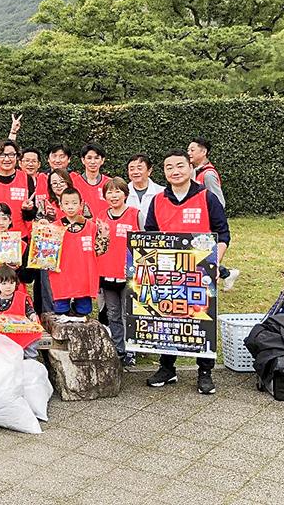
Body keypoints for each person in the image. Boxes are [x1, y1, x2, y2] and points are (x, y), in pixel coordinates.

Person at [144, 149, 231, 395]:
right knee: (168, 317)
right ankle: (167, 367)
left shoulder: (206, 197)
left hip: (200, 273)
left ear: (190, 167)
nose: (175, 171)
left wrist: (214, 262)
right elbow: (150, 235)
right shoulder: (158, 200)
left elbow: (222, 234)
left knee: (201, 319)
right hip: (167, 273)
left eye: (180, 165)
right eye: (169, 167)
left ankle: (204, 371)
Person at [96, 177, 141, 366]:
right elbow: (97, 246)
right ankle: (118, 349)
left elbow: (145, 243)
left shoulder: (135, 214)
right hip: (106, 273)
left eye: (117, 191)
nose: (113, 196)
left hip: (128, 274)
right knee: (112, 313)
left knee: (128, 313)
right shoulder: (101, 216)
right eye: (109, 192)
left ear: (125, 194)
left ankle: (131, 350)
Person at [47, 188, 109, 318]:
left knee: (83, 311)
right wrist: (41, 231)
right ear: (61, 205)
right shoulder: (53, 227)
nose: (70, 207)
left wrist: (104, 236)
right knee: (60, 311)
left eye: (74, 203)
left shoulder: (91, 227)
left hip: (84, 277)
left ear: (81, 205)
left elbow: (99, 251)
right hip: (61, 277)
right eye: (67, 203)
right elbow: (44, 256)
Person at [188, 137, 239, 291]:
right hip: (194, 220)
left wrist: (209, 219)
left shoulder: (208, 174)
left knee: (201, 256)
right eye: (188, 150)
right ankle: (227, 273)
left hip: (206, 224)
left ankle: (224, 274)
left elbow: (219, 202)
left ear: (203, 152)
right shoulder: (195, 171)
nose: (188, 153)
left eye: (192, 150)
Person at [0, 266, 41, 358]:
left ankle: (30, 359)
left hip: (19, 328)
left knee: (32, 335)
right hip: (0, 329)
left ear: (16, 283)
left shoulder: (21, 297)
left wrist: (33, 316)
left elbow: (29, 310)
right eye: (4, 283)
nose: (8, 286)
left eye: (11, 283)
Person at [71, 144, 110, 217]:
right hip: (82, 225)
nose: (93, 162)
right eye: (89, 158)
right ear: (83, 160)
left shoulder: (109, 183)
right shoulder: (73, 183)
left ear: (102, 160)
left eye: (96, 158)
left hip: (106, 225)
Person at [126, 153, 164, 221]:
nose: (135, 172)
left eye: (139, 168)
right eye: (131, 169)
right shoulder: (122, 192)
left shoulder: (161, 192)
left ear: (149, 171)